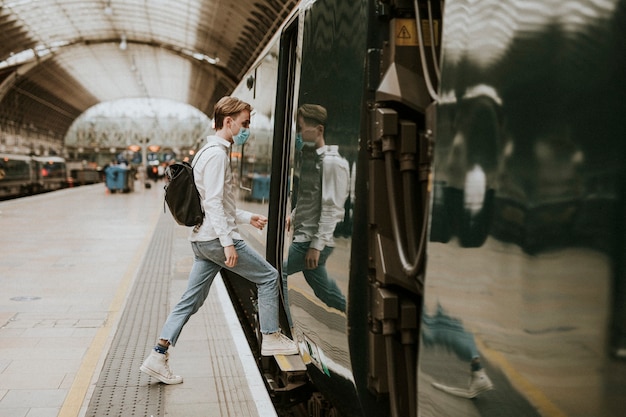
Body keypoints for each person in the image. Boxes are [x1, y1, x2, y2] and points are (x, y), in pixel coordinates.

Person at [140, 96, 298, 385]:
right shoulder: (216, 155)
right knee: (268, 277)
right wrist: (228, 243)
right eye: (245, 123)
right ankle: (271, 337)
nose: (247, 129)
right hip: (215, 240)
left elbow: (216, 203)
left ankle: (157, 356)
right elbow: (212, 203)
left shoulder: (206, 152)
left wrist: (248, 217)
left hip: (202, 241)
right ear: (229, 122)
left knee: (190, 301)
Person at [282, 104, 350, 328]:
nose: (299, 135)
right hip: (306, 237)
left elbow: (332, 208)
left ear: (319, 130)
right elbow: (310, 197)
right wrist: (293, 214)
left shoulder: (332, 163)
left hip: (309, 241)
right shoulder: (314, 160)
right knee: (326, 293)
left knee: (273, 276)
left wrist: (316, 246)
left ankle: (282, 327)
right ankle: (357, 318)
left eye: (302, 129)